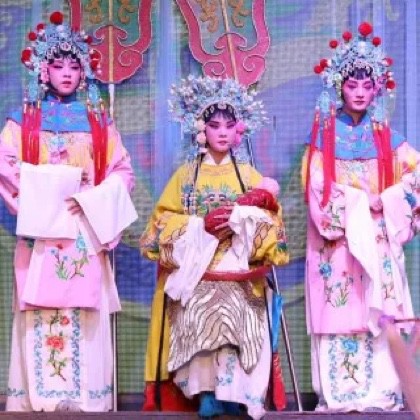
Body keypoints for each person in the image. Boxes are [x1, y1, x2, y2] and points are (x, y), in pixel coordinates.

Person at [0, 11, 136, 411]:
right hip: (41, 230)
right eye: (58, 66)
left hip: (82, 228)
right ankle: (42, 400)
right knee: (40, 310)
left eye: (74, 67)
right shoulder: (23, 122)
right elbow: (6, 165)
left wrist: (90, 198)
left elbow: (122, 172)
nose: (66, 74)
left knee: (83, 309)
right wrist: (44, 191)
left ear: (83, 73)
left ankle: (84, 399)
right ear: (43, 71)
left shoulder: (99, 124)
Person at [140, 76, 289, 419]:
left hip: (239, 266)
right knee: (199, 307)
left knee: (240, 309)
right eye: (214, 125)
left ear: (239, 131)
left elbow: (272, 220)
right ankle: (206, 392)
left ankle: (234, 392)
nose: (222, 132)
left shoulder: (249, 175)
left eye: (229, 125)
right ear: (201, 130)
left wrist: (242, 221)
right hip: (197, 267)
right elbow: (159, 224)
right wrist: (198, 226)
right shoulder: (186, 176)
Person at [303, 22, 420, 412]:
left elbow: (415, 179)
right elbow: (316, 188)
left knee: (379, 310)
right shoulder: (323, 138)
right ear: (339, 87)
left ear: (376, 90)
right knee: (341, 308)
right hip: (339, 246)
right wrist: (358, 203)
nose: (358, 92)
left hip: (378, 239)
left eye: (367, 86)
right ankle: (340, 394)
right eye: (352, 85)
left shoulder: (390, 138)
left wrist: (385, 200)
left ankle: (382, 392)